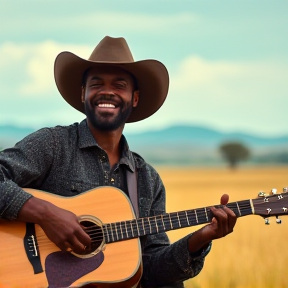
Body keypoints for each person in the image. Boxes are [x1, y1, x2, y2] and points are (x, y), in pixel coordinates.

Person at [0, 36, 237, 287]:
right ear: (84, 93)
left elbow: (151, 269)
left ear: (134, 98)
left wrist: (201, 238)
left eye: (119, 84)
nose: (107, 91)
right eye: (97, 83)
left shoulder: (147, 179)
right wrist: (48, 215)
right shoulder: (53, 144)